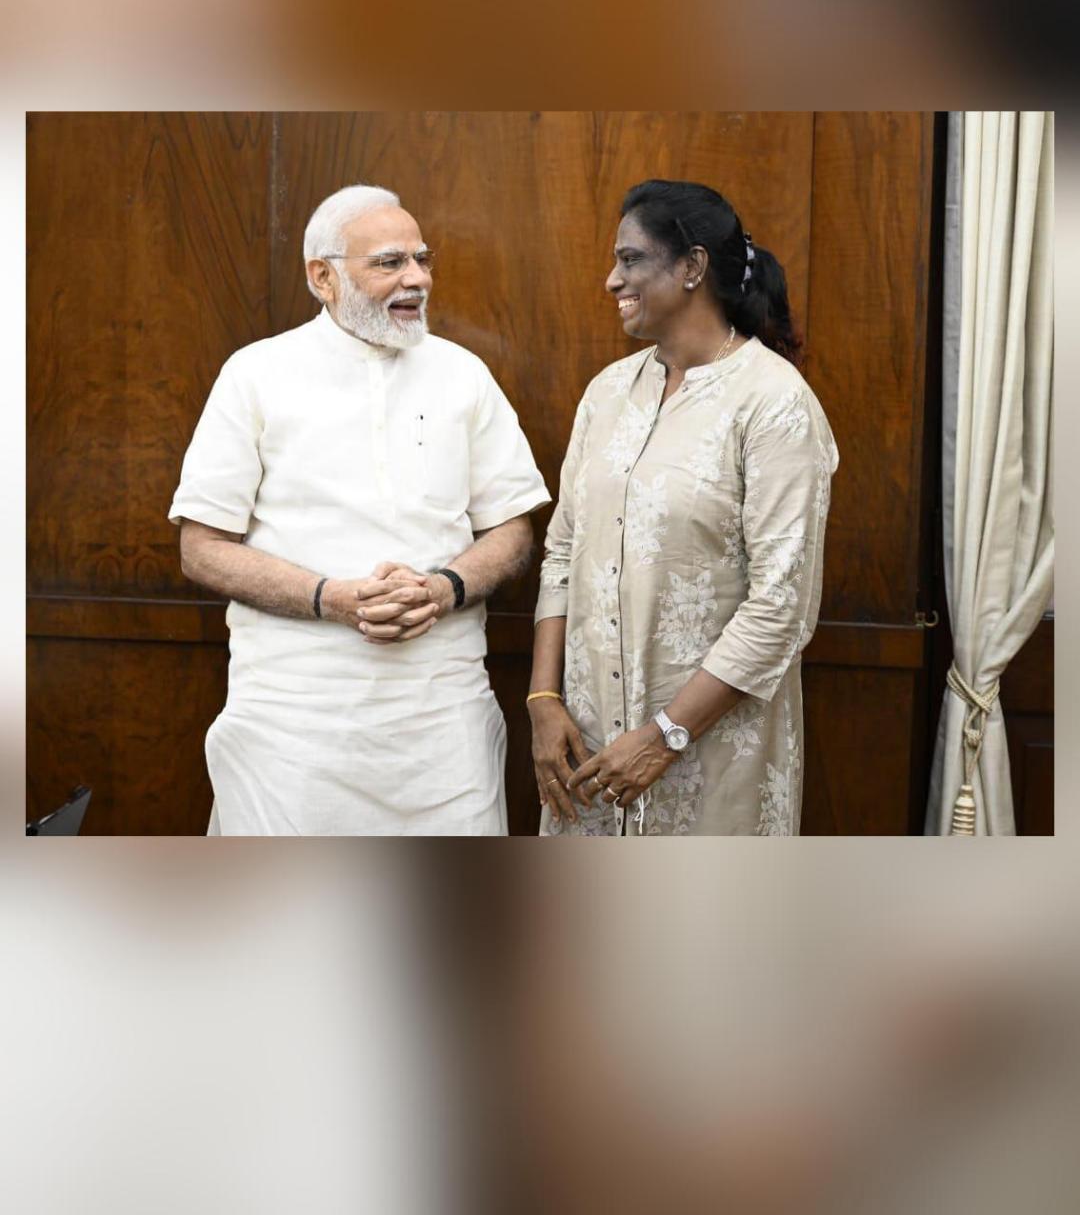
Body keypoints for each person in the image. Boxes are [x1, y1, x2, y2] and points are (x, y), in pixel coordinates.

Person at [170, 183, 550, 836]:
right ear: (323, 277)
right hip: (291, 725)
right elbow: (200, 547)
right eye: (390, 263)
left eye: (422, 260)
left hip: (441, 722)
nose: (418, 279)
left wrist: (444, 588)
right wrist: (331, 598)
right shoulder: (255, 374)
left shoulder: (464, 374)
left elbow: (514, 527)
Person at [529, 179, 838, 836]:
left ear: (693, 267)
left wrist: (666, 735)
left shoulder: (774, 403)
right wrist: (543, 700)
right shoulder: (608, 392)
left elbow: (781, 604)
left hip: (709, 757)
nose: (613, 280)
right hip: (586, 756)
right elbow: (563, 550)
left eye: (631, 259)